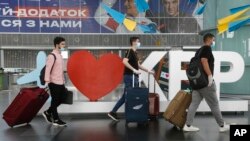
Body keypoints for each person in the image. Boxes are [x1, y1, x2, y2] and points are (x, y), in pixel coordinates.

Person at [183, 33, 230, 132]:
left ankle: (188, 125)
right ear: (209, 39)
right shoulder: (207, 48)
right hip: (205, 83)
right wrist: (209, 76)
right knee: (214, 104)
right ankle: (222, 126)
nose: (213, 41)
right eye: (213, 39)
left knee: (194, 104)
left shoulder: (198, 51)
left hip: (196, 83)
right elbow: (204, 61)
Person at [108, 36, 154, 121]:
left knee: (126, 96)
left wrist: (148, 71)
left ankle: (113, 112)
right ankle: (135, 115)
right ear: (133, 42)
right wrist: (134, 70)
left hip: (133, 77)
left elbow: (138, 65)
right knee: (131, 96)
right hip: (130, 77)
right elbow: (124, 61)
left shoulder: (135, 53)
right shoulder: (130, 51)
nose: (139, 43)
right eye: (138, 41)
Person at [42, 37, 67, 127]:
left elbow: (60, 70)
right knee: (55, 100)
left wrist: (63, 80)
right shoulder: (51, 56)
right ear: (57, 44)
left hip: (60, 82)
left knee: (63, 98)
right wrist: (47, 81)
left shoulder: (60, 55)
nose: (64, 45)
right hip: (53, 82)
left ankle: (48, 112)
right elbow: (48, 69)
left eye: (64, 44)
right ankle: (56, 119)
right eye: (62, 44)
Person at [94, 0, 159, 33]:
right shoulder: (121, 24)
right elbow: (99, 16)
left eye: (129, 0)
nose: (125, 4)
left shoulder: (150, 27)